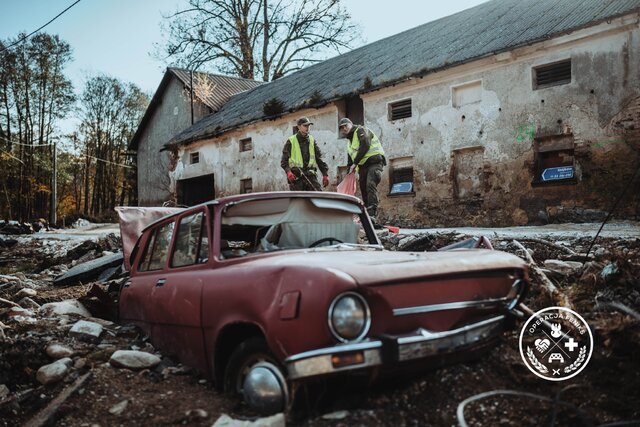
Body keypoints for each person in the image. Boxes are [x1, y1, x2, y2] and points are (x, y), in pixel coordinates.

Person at [338, 117, 386, 221]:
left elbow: (365, 145)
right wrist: (348, 173)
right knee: (363, 189)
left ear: (351, 124)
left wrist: (355, 164)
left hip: (374, 162)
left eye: (346, 126)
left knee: (370, 185)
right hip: (363, 166)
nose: (344, 129)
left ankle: (373, 215)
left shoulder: (361, 130)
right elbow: (350, 160)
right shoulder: (349, 143)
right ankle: (368, 218)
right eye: (342, 128)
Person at [281, 117, 330, 191]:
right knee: (298, 201)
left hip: (310, 176)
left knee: (318, 197)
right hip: (296, 177)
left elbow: (319, 158)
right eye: (305, 126)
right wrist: (288, 172)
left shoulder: (312, 140)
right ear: (299, 127)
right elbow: (284, 161)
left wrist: (325, 174)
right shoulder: (291, 141)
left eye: (309, 126)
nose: (307, 128)